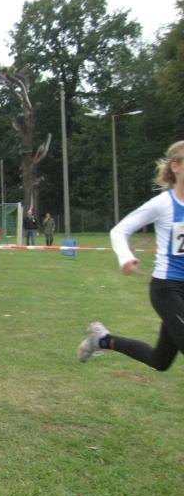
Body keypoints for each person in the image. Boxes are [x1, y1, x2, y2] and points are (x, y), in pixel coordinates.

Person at [78, 140, 184, 371]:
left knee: (160, 361)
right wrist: (125, 257)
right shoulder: (163, 204)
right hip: (167, 289)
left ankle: (101, 340)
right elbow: (119, 230)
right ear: (175, 166)